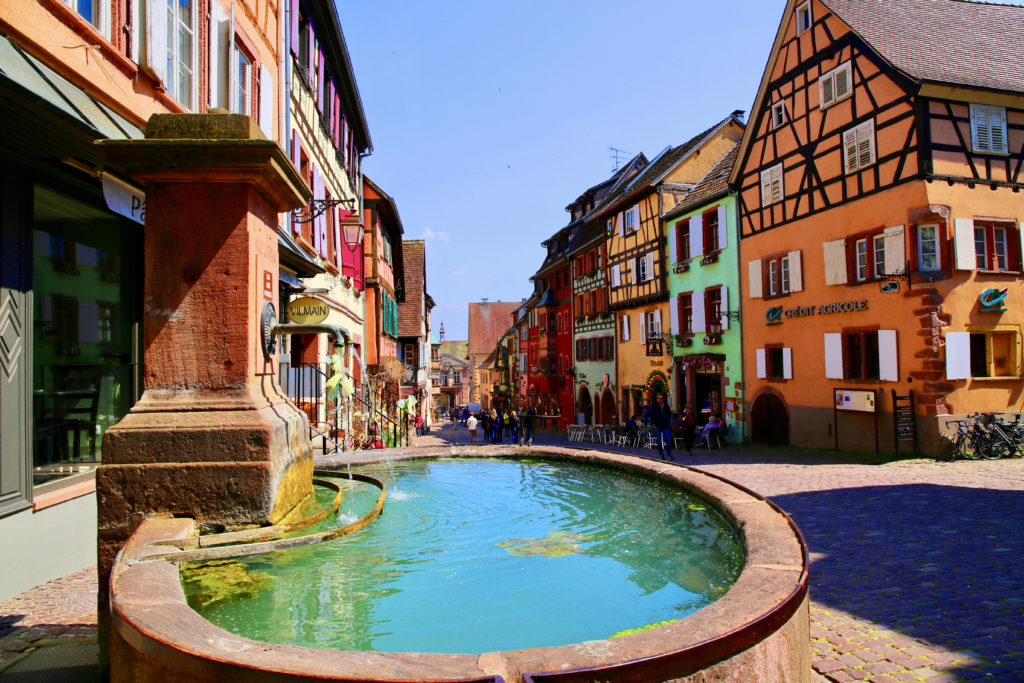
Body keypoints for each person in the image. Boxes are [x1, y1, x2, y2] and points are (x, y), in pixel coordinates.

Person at [649, 393, 673, 461]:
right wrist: (655, 421)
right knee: (659, 441)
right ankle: (661, 454)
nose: (659, 399)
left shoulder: (666, 405)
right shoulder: (654, 406)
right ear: (657, 399)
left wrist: (667, 420)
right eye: (658, 398)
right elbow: (652, 415)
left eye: (661, 398)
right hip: (658, 425)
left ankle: (669, 455)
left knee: (668, 440)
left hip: (665, 425)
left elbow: (669, 414)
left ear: (663, 399)